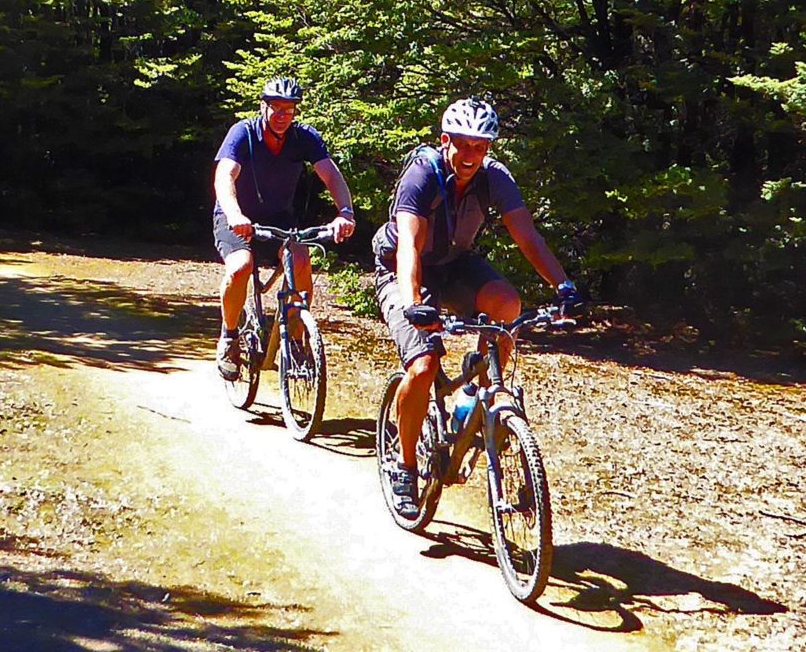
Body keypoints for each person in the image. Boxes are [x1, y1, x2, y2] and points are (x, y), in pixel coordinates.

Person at [373, 96, 582, 517]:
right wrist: (415, 304)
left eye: (480, 146)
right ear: (445, 140)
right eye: (463, 144)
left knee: (508, 306)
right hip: (403, 269)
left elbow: (528, 237)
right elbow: (410, 246)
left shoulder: (494, 178)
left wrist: (564, 285)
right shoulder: (422, 175)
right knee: (423, 364)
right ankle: (405, 466)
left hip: (454, 264)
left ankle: (473, 393)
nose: (470, 155)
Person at [213, 76, 356, 378]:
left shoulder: (304, 138)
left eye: (288, 110)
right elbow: (224, 176)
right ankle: (229, 337)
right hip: (237, 214)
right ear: (262, 106)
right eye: (275, 108)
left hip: (279, 217)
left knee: (301, 261)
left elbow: (330, 175)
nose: (281, 116)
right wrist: (235, 215)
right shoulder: (243, 133)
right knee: (240, 266)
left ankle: (296, 339)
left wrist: (345, 212)